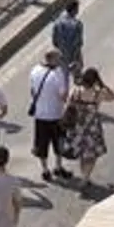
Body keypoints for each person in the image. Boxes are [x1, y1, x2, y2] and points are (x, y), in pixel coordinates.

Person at [62, 66, 114, 188]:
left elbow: (67, 105)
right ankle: (85, 178)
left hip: (77, 128)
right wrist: (102, 84)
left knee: (82, 154)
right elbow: (113, 97)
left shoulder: (75, 91)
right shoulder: (98, 93)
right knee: (91, 155)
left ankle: (84, 176)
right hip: (92, 129)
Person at [28, 48, 73, 181]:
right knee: (58, 142)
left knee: (42, 144)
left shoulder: (34, 70)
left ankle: (45, 170)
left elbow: (32, 91)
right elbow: (63, 95)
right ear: (53, 59)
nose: (60, 61)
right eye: (59, 58)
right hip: (55, 114)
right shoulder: (57, 73)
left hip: (40, 114)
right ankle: (58, 167)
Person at [51, 1, 85, 80]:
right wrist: (76, 56)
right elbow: (79, 43)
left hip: (63, 55)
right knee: (78, 76)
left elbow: (54, 41)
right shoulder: (77, 24)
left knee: (64, 77)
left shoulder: (57, 23)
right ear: (73, 10)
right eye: (77, 9)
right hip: (74, 55)